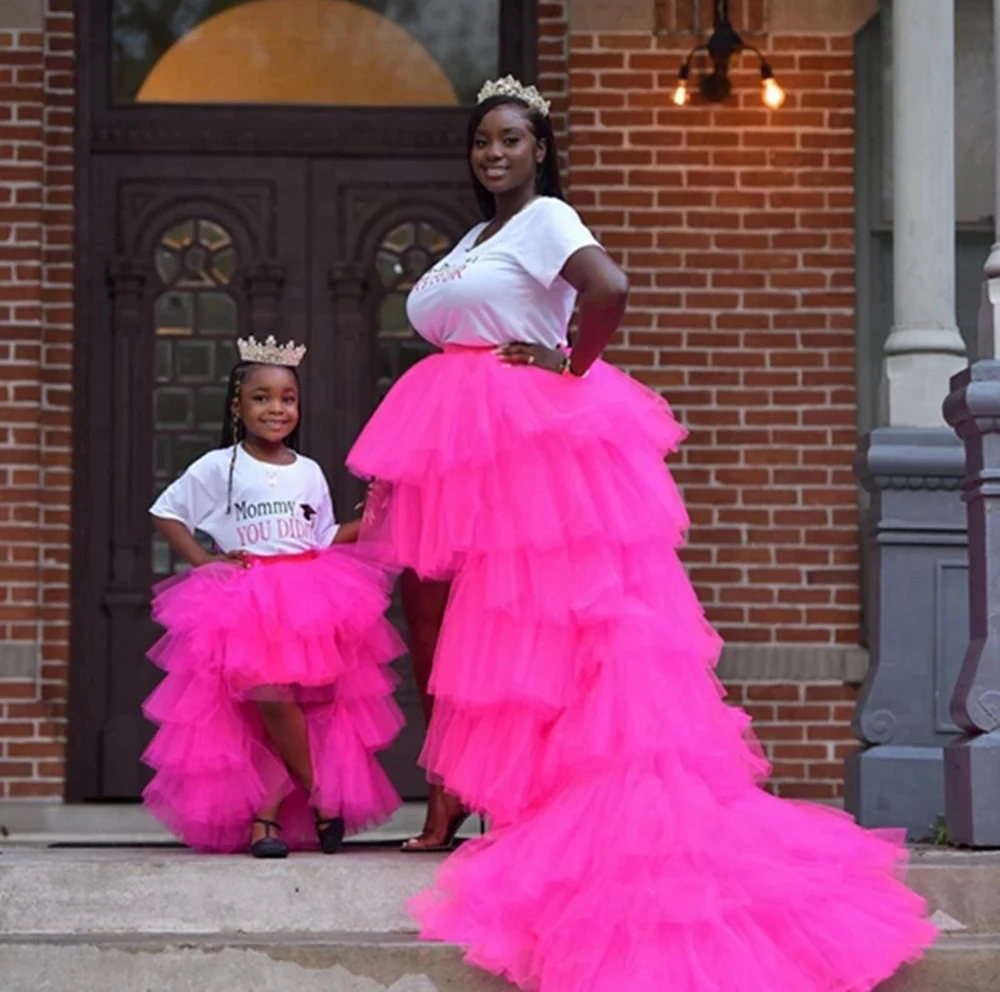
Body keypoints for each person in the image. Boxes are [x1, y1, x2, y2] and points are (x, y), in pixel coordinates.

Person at [348, 76, 936, 989]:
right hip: (457, 449)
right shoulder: (476, 238)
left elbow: (608, 286)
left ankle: (525, 807)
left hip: (526, 448)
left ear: (539, 147)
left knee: (532, 625)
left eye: (510, 139)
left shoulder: (546, 219)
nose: (494, 153)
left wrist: (568, 361)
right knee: (461, 630)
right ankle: (454, 802)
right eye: (482, 142)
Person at [144, 334, 404, 858]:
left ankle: (267, 818)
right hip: (247, 598)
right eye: (261, 397)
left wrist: (373, 516)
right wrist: (203, 560)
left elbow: (322, 536)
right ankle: (323, 795)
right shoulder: (220, 466)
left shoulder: (307, 471)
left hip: (307, 596)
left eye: (286, 399)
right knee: (266, 696)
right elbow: (165, 512)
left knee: (302, 708)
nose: (275, 408)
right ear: (238, 406)